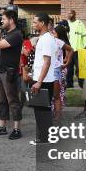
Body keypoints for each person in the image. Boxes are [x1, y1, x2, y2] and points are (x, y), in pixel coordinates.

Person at [0, 10, 24, 139]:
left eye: (4, 19)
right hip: (1, 70)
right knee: (2, 101)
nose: (1, 21)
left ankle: (16, 129)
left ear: (11, 20)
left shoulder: (16, 34)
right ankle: (2, 126)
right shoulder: (7, 33)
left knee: (13, 100)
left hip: (9, 72)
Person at [29, 13, 56, 145]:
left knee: (42, 111)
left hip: (43, 80)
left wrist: (39, 81)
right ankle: (44, 137)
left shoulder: (46, 39)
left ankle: (44, 139)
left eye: (35, 22)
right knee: (41, 111)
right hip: (41, 78)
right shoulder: (44, 38)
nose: (33, 24)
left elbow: (47, 62)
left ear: (43, 23)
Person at [66, 10, 86, 88]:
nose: (69, 15)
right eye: (68, 13)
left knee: (79, 68)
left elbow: (85, 36)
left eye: (71, 13)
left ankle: (81, 84)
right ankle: (69, 84)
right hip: (69, 50)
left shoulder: (80, 23)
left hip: (79, 50)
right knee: (69, 68)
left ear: (75, 14)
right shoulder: (66, 24)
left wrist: (85, 47)